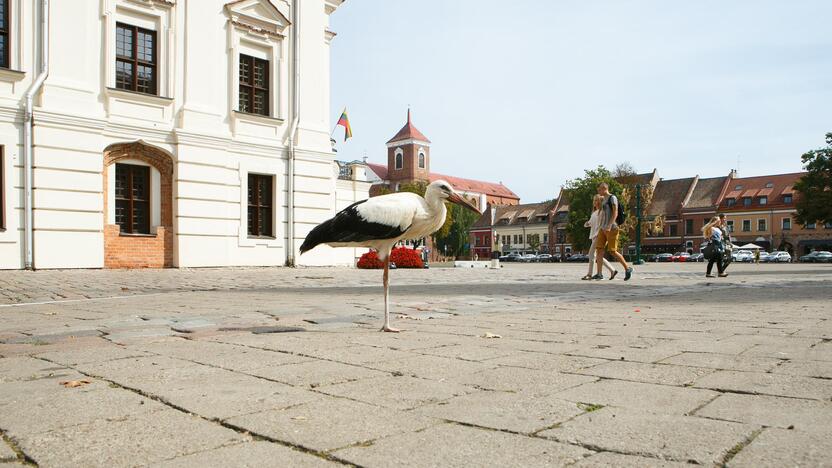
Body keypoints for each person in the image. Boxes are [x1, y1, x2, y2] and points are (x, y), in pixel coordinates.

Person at [595, 183, 633, 280]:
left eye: (599, 190)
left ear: (604, 188)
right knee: (599, 249)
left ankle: (627, 268)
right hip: (602, 228)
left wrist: (609, 225)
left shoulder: (613, 198)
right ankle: (599, 273)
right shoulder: (603, 200)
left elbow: (615, 212)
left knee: (612, 251)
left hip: (612, 228)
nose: (598, 192)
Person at [582, 194, 618, 280]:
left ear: (600, 202)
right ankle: (612, 270)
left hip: (598, 235)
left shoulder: (602, 212)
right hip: (594, 235)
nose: (594, 202)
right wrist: (587, 223)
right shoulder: (594, 212)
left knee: (591, 254)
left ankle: (589, 274)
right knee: (598, 256)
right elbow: (591, 223)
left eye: (596, 200)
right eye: (594, 200)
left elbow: (602, 224)